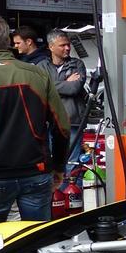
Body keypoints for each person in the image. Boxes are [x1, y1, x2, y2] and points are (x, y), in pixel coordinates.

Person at [0, 15, 69, 229]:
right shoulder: (37, 74)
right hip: (36, 171)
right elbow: (61, 126)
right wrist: (59, 166)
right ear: (8, 42)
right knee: (36, 239)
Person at [45, 29, 88, 162]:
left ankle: (70, 184)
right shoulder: (42, 66)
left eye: (68, 44)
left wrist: (50, 86)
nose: (68, 48)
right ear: (51, 47)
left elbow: (73, 89)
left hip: (72, 121)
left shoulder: (77, 64)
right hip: (48, 122)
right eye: (62, 45)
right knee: (51, 162)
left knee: (70, 163)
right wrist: (65, 83)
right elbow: (39, 89)